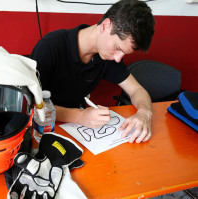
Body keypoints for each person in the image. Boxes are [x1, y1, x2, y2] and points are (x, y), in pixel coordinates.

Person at [31, 0, 155, 143]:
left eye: (124, 53)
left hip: (79, 131)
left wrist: (144, 113)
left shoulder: (107, 56)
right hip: (43, 131)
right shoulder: (50, 46)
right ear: (105, 25)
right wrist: (79, 116)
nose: (118, 59)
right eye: (118, 48)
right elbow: (31, 106)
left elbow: (137, 90)